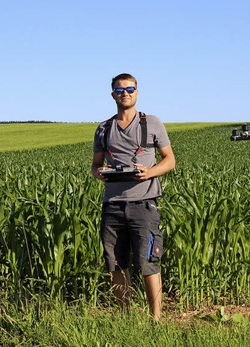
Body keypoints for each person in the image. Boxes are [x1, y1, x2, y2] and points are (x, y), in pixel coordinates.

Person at [91, 73, 176, 320]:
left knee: (148, 262)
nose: (125, 93)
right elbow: (95, 165)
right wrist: (101, 173)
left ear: (137, 92)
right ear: (112, 94)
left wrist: (149, 172)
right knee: (116, 264)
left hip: (144, 204)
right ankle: (125, 317)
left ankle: (156, 320)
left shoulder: (151, 123)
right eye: (120, 90)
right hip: (113, 205)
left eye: (130, 89)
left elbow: (170, 160)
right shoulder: (104, 128)